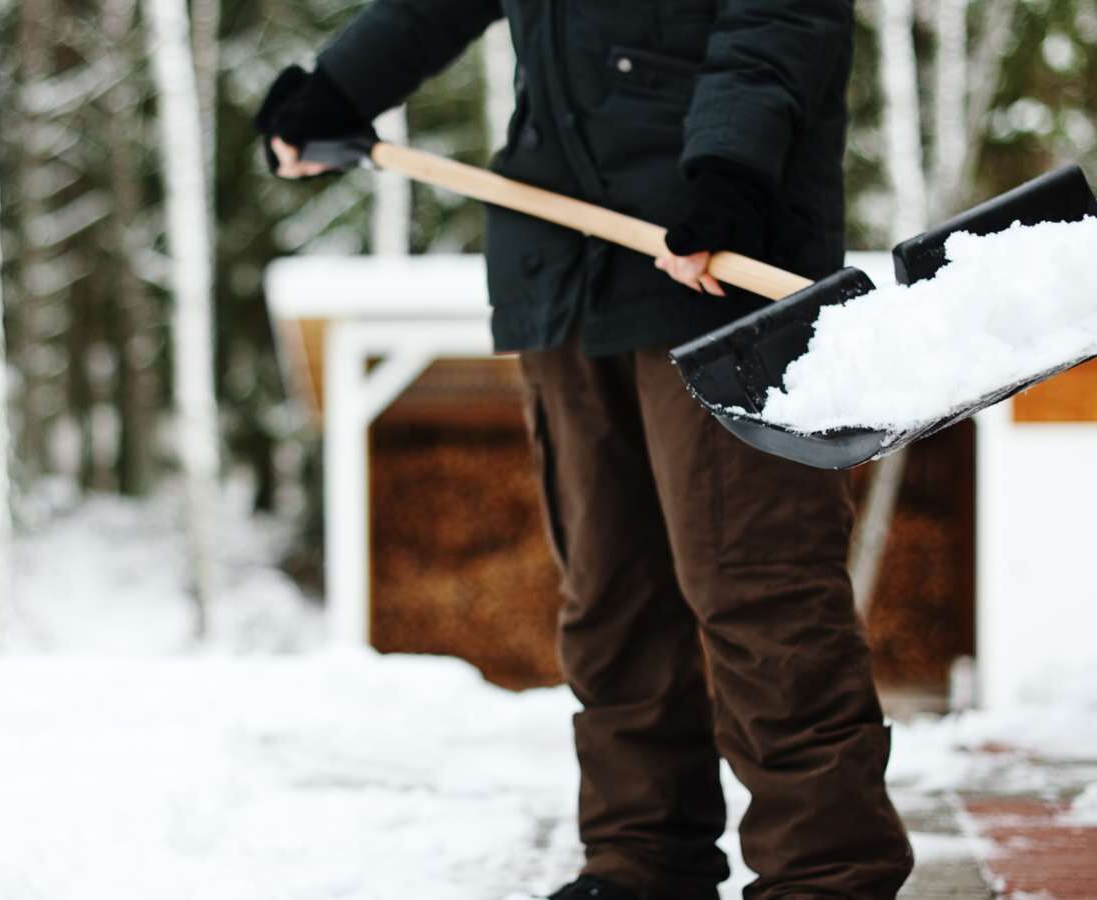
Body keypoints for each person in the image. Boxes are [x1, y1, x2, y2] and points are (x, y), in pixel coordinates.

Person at [256, 3, 913, 898]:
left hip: (721, 262)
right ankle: (644, 861)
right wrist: (339, 86)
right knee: (611, 595)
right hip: (564, 262)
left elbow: (780, 17)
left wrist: (730, 165)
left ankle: (827, 876)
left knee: (761, 590)